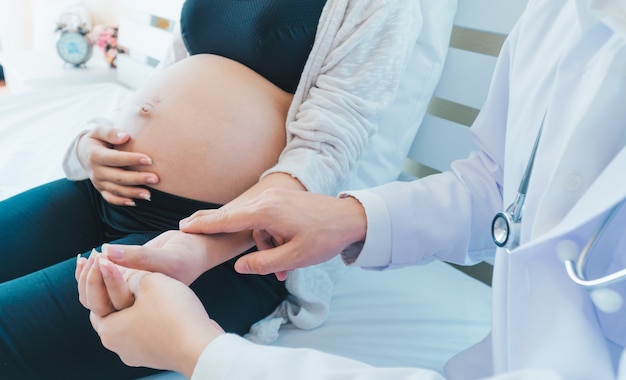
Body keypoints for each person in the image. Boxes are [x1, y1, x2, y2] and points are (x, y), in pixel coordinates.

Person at [79, 0, 626, 379]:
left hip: (230, 251)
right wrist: (351, 219)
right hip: (115, 198)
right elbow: (501, 188)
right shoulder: (559, 16)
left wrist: (200, 350)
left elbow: (329, 142)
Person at [0, 0, 457, 378]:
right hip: (107, 193)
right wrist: (91, 147)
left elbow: (328, 146)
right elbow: (171, 76)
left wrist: (202, 243)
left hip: (221, 249)